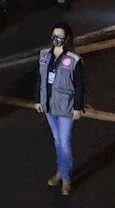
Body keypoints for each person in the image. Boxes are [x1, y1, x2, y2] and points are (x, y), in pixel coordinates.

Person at [31, 24, 84, 195]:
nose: (56, 39)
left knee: (64, 143)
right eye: (54, 35)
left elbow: (80, 85)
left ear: (67, 39)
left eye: (60, 36)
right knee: (57, 141)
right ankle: (60, 172)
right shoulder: (44, 55)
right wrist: (38, 100)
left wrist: (77, 107)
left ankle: (66, 179)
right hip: (48, 105)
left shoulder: (73, 60)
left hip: (65, 105)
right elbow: (40, 79)